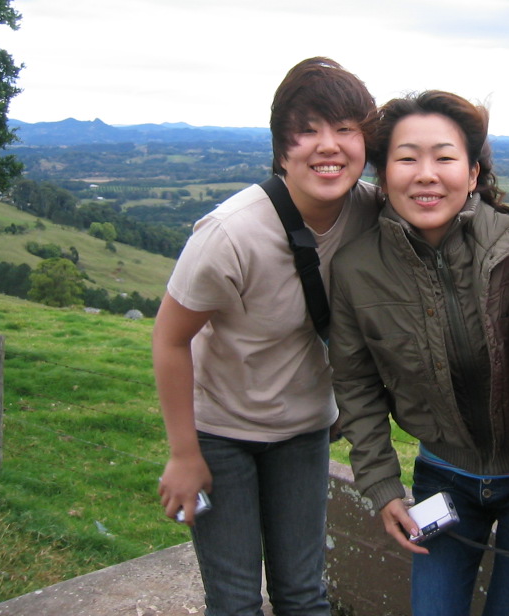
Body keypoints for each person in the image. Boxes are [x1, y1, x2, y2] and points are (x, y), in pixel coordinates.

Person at [152, 57, 379, 616]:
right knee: (234, 602)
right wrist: (184, 454)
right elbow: (169, 339)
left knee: (304, 594)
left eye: (345, 129)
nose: (328, 145)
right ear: (282, 149)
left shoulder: (372, 210)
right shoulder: (230, 234)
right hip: (221, 429)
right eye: (307, 130)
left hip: (303, 430)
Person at [328, 90, 509, 616]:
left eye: (444, 157)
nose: (426, 174)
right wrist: (382, 487)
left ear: (472, 173)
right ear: (382, 176)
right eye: (406, 158)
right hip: (442, 475)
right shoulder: (356, 270)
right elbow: (356, 386)